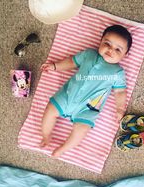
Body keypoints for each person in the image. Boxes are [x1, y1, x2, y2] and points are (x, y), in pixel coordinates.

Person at [40, 25, 132, 157]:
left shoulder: (117, 72)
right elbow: (71, 62)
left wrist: (120, 108)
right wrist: (55, 66)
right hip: (67, 95)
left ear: (125, 55)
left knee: (82, 130)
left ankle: (63, 148)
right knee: (50, 109)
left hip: (88, 108)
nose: (110, 50)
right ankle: (46, 135)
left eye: (118, 49)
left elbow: (120, 92)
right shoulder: (89, 54)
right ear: (100, 41)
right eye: (107, 44)